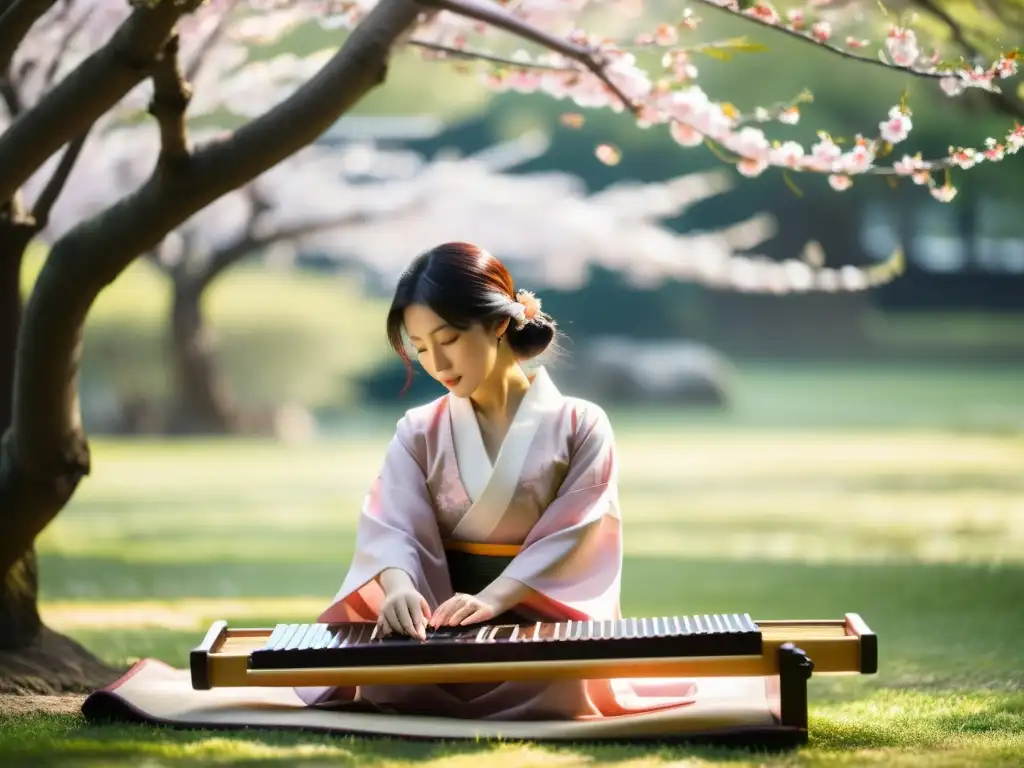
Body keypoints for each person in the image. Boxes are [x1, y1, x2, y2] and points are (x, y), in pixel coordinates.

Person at [296, 242, 698, 720]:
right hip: (445, 628)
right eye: (422, 349)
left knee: (559, 681)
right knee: (390, 678)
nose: (438, 365)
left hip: (540, 626)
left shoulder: (581, 424)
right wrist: (400, 588)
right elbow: (392, 524)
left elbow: (576, 528)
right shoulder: (417, 431)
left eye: (449, 339)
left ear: (500, 323)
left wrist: (493, 599)